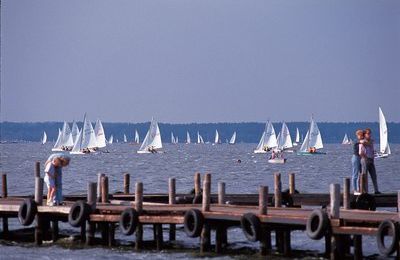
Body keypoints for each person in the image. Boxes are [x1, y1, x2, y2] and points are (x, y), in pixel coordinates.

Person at [359, 128, 380, 194]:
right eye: (368, 133)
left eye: (370, 133)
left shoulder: (371, 141)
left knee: (374, 175)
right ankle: (364, 191)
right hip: (365, 159)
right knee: (364, 176)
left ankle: (376, 190)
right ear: (365, 134)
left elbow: (371, 145)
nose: (369, 135)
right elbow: (360, 152)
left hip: (371, 160)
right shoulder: (362, 142)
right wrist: (365, 157)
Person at [352, 130, 364, 195]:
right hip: (356, 158)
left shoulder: (361, 141)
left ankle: (360, 189)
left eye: (363, 135)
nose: (362, 136)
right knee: (355, 174)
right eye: (361, 135)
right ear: (358, 135)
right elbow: (361, 142)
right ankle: (355, 190)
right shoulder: (355, 141)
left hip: (361, 158)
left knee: (361, 174)